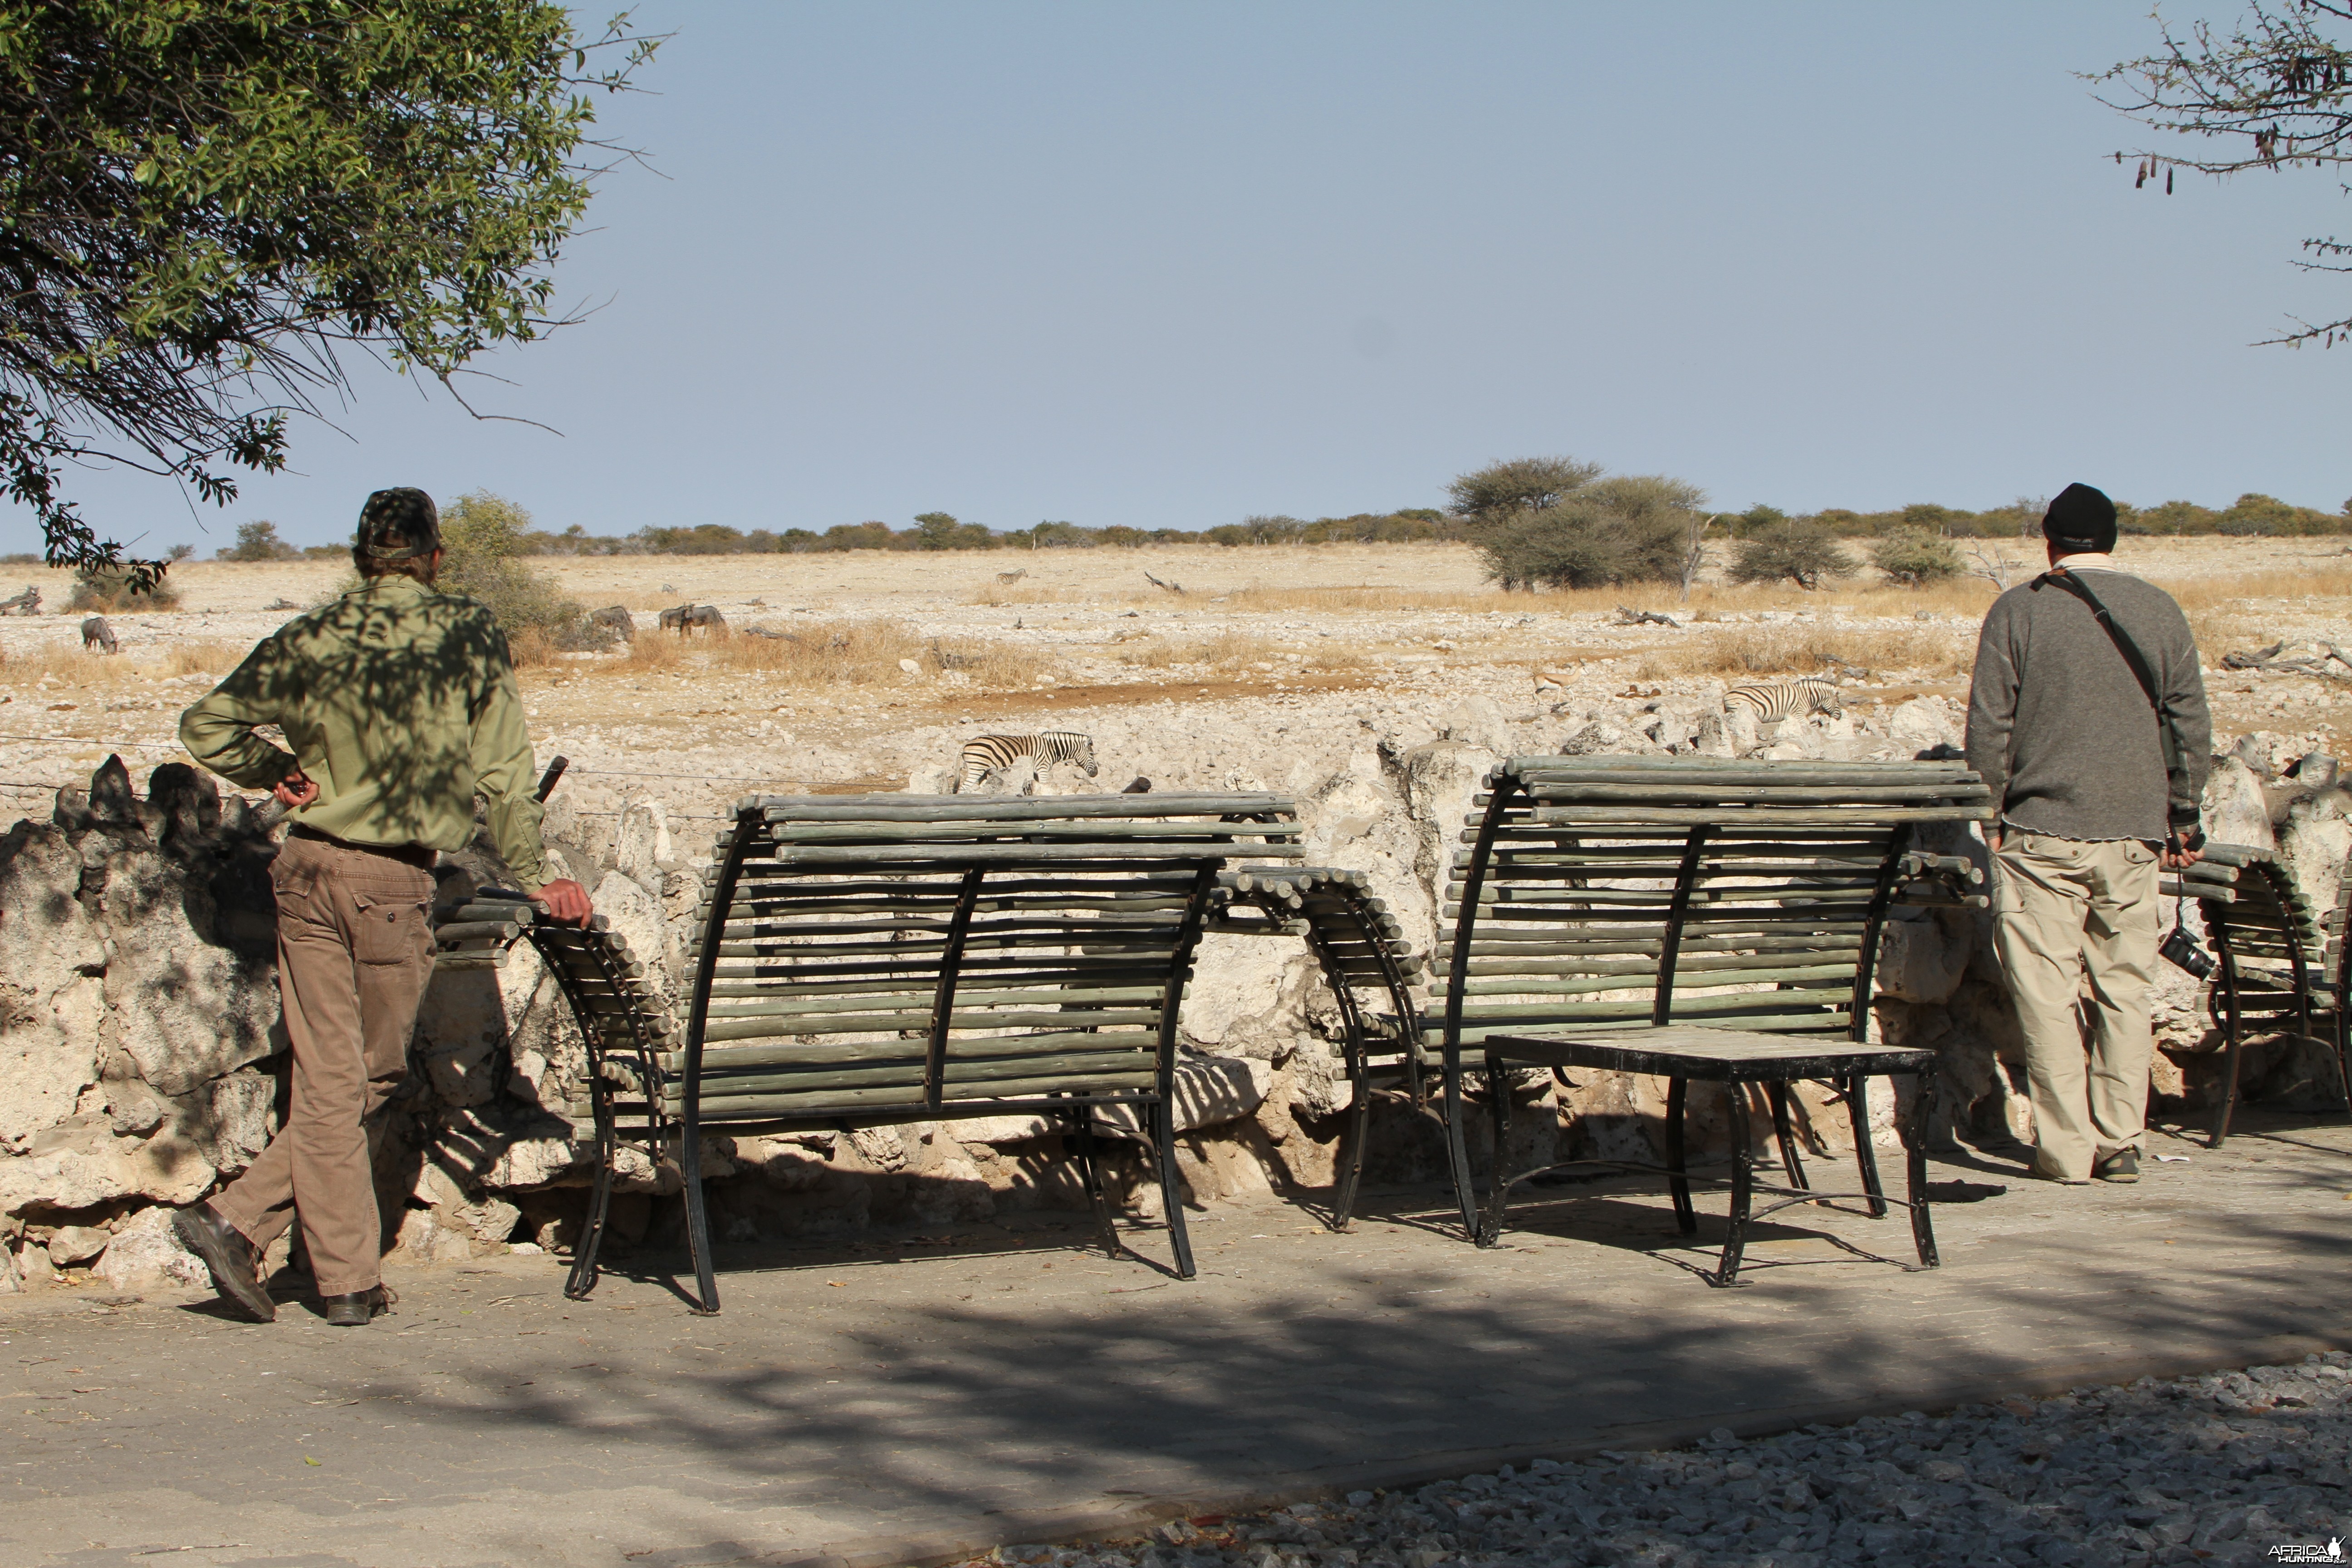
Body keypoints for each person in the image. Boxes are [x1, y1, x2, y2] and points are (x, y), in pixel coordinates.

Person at [173, 488, 593, 1325]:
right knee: (362, 1078)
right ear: (436, 558)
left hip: (303, 868)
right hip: (388, 884)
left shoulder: (314, 633)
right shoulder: (464, 631)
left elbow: (206, 725)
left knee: (332, 1076)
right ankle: (345, 1282)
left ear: (361, 558)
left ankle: (238, 1222)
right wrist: (535, 870)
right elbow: (507, 772)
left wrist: (273, 773)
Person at [1964, 482, 2210, 1186]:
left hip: (2039, 829)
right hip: (2135, 831)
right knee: (2124, 988)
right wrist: (2184, 813)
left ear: (2049, 539)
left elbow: (1991, 724)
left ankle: (2067, 1149)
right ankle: (2121, 1139)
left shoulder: (2018, 610)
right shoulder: (2161, 610)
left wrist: (1991, 813)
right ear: (2112, 540)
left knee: (2045, 992)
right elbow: (2189, 723)